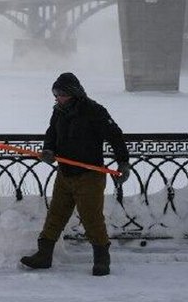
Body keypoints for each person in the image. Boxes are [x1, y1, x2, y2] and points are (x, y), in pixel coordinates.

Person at [20, 72, 130, 276]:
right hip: (65, 173)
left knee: (91, 218)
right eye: (55, 94)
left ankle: (102, 260)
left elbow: (115, 136)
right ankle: (44, 256)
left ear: (73, 93)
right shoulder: (59, 111)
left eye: (61, 94)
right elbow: (51, 133)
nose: (57, 98)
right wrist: (49, 151)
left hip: (90, 175)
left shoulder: (94, 111)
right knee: (55, 215)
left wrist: (123, 163)